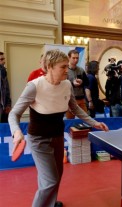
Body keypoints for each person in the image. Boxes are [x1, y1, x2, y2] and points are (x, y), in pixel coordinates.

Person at [8, 49, 109, 207]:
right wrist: (16, 132)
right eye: (63, 67)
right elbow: (14, 114)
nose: (67, 70)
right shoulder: (34, 86)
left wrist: (93, 123)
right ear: (49, 67)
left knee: (56, 175)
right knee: (50, 180)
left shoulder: (67, 84)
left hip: (57, 137)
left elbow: (74, 108)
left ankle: (51, 203)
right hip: (39, 140)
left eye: (67, 66)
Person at [66, 50, 90, 119]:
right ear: (69, 58)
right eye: (73, 58)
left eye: (77, 58)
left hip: (81, 99)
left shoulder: (81, 70)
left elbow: (87, 83)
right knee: (70, 121)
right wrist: (72, 84)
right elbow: (62, 85)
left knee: (85, 119)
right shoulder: (65, 70)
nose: (76, 60)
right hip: (69, 100)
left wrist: (81, 82)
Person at [0, 51, 11, 123]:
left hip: (4, 109)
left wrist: (8, 105)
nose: (4, 61)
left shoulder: (3, 72)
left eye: (4, 59)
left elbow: (7, 90)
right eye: (1, 59)